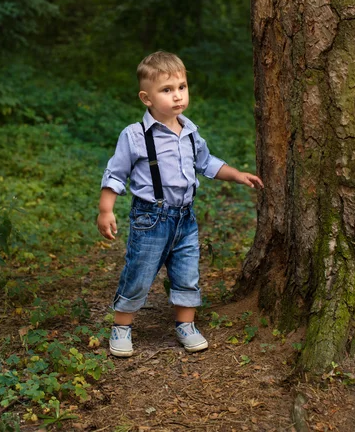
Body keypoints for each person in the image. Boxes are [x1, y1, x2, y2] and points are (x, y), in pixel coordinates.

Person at [97, 51, 264, 357]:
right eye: (167, 90)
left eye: (182, 87)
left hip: (185, 219)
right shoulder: (135, 136)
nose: (177, 96)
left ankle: (185, 325)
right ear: (146, 98)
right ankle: (122, 326)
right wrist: (106, 209)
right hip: (150, 219)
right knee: (139, 271)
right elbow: (115, 173)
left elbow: (207, 163)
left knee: (187, 272)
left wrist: (237, 174)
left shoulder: (189, 132)